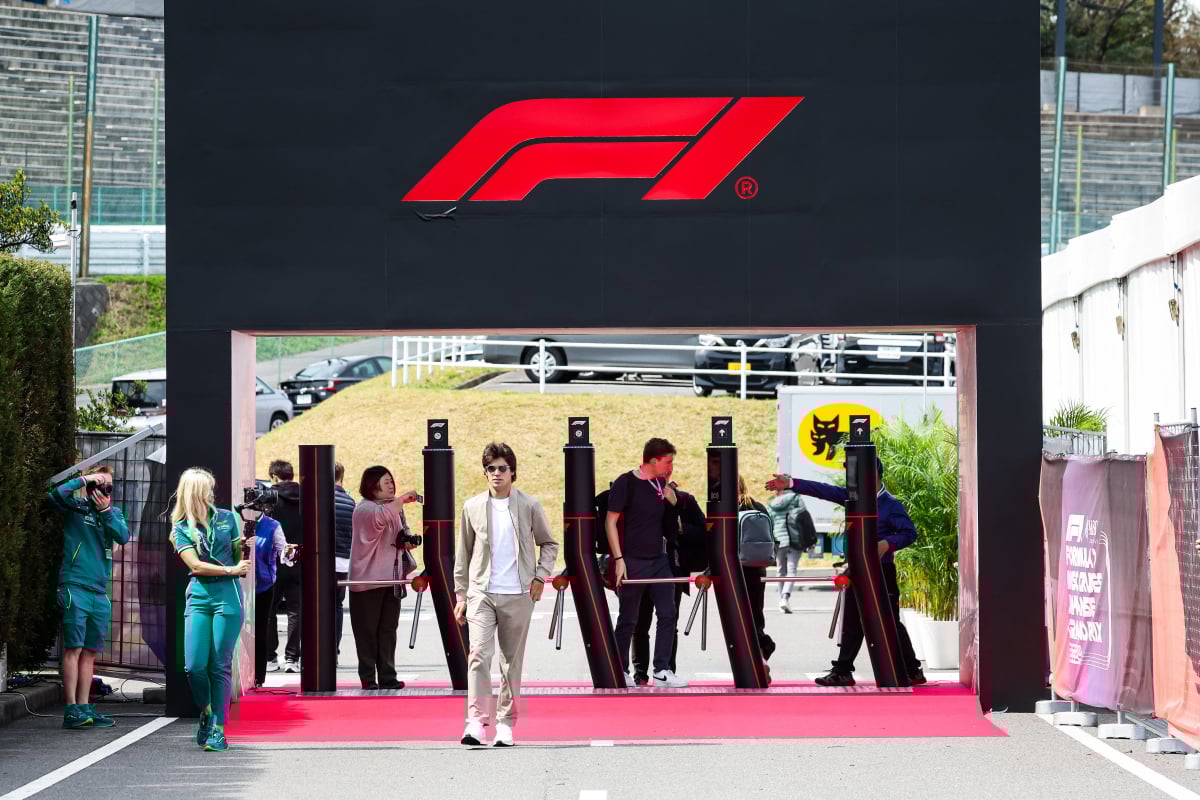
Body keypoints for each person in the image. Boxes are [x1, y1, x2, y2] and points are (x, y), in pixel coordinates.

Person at [767, 459, 926, 686]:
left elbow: (909, 533)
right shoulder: (853, 497)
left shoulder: (891, 504)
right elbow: (823, 490)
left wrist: (887, 543)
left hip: (882, 570)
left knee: (890, 620)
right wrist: (792, 483)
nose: (853, 478)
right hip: (857, 569)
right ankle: (842, 670)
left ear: (874, 473)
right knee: (852, 619)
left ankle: (913, 669)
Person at [454, 443, 559, 747]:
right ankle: (475, 722)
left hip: (517, 594)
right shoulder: (472, 506)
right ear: (484, 472)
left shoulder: (528, 504)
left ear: (513, 471)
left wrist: (540, 576)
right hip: (481, 593)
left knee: (511, 663)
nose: (496, 473)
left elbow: (549, 543)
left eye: (502, 468)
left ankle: (505, 724)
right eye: (491, 468)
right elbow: (463, 553)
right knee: (478, 655)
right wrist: (461, 594)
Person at [169, 468, 252, 752]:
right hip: (200, 596)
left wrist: (248, 547)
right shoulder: (179, 528)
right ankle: (205, 711)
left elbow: (242, 558)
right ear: (193, 491)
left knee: (219, 664)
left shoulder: (227, 518)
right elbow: (195, 565)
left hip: (228, 596)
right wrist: (231, 568)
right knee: (193, 666)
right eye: (206, 488)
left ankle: (219, 728)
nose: (211, 493)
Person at [48, 465, 129, 730]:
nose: (102, 490)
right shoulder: (77, 507)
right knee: (74, 647)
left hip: (98, 590)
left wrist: (105, 510)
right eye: (98, 484)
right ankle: (71, 708)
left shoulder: (113, 513)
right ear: (89, 486)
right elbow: (55, 496)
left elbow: (123, 536)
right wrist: (84, 479)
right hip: (75, 585)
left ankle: (84, 707)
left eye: (108, 486)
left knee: (90, 651)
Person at [607, 438, 688, 688]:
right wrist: (619, 559)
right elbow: (610, 523)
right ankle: (620, 670)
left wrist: (674, 501)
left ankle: (662, 670)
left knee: (668, 614)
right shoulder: (626, 483)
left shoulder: (660, 483)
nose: (671, 466)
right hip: (632, 560)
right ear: (653, 460)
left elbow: (671, 519)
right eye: (668, 461)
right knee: (629, 618)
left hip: (659, 559)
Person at [349, 465, 419, 690]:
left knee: (388, 631)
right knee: (366, 632)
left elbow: (401, 533)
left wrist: (408, 541)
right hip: (367, 581)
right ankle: (369, 678)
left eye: (391, 480)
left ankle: (388, 676)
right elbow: (379, 520)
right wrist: (402, 499)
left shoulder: (393, 508)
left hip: (392, 579)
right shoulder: (364, 509)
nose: (391, 484)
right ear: (372, 485)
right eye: (385, 480)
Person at [630, 482, 706, 686]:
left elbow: (703, 530)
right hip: (641, 568)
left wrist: (679, 524)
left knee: (669, 622)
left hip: (672, 570)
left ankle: (666, 670)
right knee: (639, 623)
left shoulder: (684, 500)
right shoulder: (636, 499)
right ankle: (640, 674)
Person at [267, 459, 303, 673]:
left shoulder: (271, 499)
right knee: (295, 611)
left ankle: (270, 657)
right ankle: (292, 658)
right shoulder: (307, 497)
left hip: (273, 560)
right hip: (299, 560)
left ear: (273, 476)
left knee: (269, 610)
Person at [738, 476, 776, 665]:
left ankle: (760, 650)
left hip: (737, 568)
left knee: (739, 615)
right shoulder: (758, 507)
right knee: (755, 613)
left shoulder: (728, 510)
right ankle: (760, 654)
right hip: (758, 567)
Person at [251, 511, 288, 688]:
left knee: (260, 630)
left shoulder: (273, 526)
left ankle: (259, 677)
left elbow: (284, 552)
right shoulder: (232, 519)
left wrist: (288, 553)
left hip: (263, 585)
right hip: (235, 583)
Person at [766, 486, 809, 614]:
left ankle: (781, 601)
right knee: (792, 570)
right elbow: (804, 516)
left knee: (780, 571)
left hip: (779, 540)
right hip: (794, 539)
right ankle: (785, 598)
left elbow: (769, 522)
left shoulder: (771, 503)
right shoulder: (796, 498)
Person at [333, 462, 356, 658]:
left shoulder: (318, 499)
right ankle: (334, 648)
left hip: (320, 563)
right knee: (337, 605)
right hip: (343, 561)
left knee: (316, 604)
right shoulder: (350, 502)